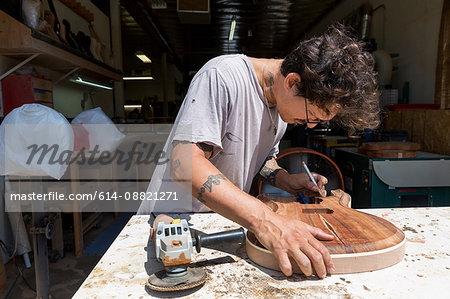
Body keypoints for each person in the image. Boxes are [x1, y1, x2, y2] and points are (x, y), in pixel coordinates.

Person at [138, 24, 379, 279]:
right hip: (172, 224)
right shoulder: (222, 77)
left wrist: (288, 181)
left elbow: (262, 161)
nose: (310, 125)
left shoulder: (282, 108)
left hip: (225, 222)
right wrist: (266, 222)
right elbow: (184, 164)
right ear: (293, 81)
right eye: (313, 116)